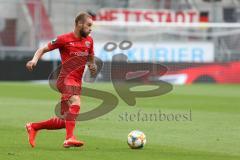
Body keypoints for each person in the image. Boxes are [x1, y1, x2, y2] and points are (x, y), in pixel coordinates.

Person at [25, 12, 96, 148]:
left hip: (77, 82)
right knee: (76, 101)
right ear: (79, 24)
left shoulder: (89, 41)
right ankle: (69, 138)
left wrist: (92, 65)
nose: (90, 28)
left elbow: (91, 57)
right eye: (88, 25)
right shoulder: (64, 39)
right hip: (65, 79)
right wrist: (34, 60)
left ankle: (33, 126)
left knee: (65, 121)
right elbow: (42, 49)